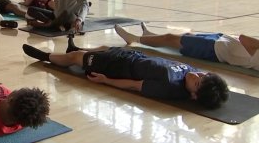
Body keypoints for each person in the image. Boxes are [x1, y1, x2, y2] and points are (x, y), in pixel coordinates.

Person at [22, 36, 229, 109]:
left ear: (193, 96)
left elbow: (134, 85)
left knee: (76, 58)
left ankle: (46, 56)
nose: (197, 76)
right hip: (133, 56)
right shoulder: (193, 73)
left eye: (198, 84)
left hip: (117, 68)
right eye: (204, 76)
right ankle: (74, 48)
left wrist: (106, 80)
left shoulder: (170, 88)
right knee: (103, 46)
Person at [115, 22, 259, 70]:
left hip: (215, 49)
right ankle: (149, 35)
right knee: (185, 37)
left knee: (170, 38)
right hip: (223, 41)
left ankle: (134, 39)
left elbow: (244, 38)